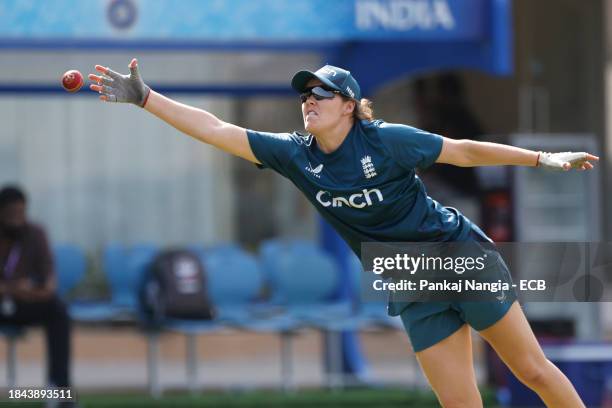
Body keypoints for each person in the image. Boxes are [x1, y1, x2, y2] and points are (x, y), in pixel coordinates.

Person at [89, 59, 597, 407]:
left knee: (530, 370)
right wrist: (147, 98)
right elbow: (217, 129)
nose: (308, 101)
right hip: (410, 279)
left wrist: (541, 158)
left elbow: (462, 150)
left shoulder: (388, 141)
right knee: (460, 402)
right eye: (304, 95)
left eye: (320, 94)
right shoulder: (294, 154)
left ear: (349, 104)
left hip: (457, 254)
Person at [0, 186, 73, 396]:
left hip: (26, 303)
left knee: (58, 310)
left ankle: (59, 392)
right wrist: (15, 287)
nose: (16, 220)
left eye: (20, 213)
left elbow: (49, 286)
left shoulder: (36, 234)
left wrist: (24, 291)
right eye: (10, 214)